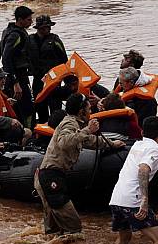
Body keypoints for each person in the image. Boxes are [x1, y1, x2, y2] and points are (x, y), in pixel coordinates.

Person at [34, 93, 125, 235]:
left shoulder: (76, 125)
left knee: (54, 230)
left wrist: (112, 144)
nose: (91, 112)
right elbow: (64, 142)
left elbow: (89, 141)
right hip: (51, 177)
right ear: (81, 111)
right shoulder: (69, 123)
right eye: (89, 109)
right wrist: (88, 129)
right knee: (74, 227)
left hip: (49, 177)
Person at [109, 116, 158, 244]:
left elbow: (140, 166)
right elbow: (143, 169)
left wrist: (156, 167)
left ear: (142, 132)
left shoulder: (137, 145)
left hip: (117, 198)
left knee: (124, 240)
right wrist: (145, 199)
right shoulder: (155, 149)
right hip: (133, 201)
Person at [0, 6, 35, 128]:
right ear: (20, 20)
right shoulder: (15, 35)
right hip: (18, 77)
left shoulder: (9, 31)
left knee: (15, 105)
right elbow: (6, 57)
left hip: (10, 77)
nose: (31, 22)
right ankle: (29, 133)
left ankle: (20, 132)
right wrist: (16, 82)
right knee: (29, 107)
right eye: (28, 20)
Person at [28, 15, 68, 123]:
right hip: (38, 80)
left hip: (53, 81)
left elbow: (64, 61)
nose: (48, 29)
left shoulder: (55, 40)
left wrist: (68, 81)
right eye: (45, 27)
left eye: (49, 27)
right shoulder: (29, 40)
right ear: (39, 28)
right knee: (40, 108)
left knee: (56, 109)